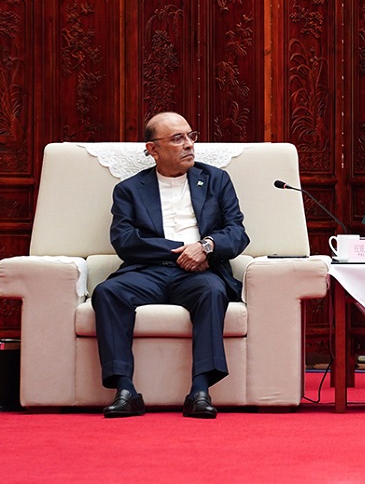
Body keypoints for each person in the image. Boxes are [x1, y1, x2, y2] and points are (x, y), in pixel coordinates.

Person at [92, 112, 250, 418]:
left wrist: (205, 247)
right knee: (108, 292)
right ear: (153, 149)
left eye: (191, 136)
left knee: (212, 292)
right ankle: (125, 390)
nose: (189, 144)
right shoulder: (129, 189)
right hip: (148, 271)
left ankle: (200, 391)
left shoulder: (216, 180)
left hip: (201, 271)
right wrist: (181, 250)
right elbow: (124, 240)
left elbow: (237, 232)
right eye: (178, 138)